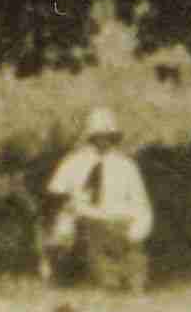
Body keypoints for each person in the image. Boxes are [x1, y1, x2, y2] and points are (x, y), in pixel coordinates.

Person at [43, 107, 154, 291]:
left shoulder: (126, 166)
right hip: (84, 223)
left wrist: (136, 233)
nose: (102, 141)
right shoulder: (73, 163)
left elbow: (141, 204)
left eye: (107, 136)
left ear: (114, 138)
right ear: (89, 137)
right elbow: (54, 197)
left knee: (133, 273)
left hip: (117, 223)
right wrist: (63, 218)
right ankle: (83, 272)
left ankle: (125, 272)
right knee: (102, 273)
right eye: (97, 136)